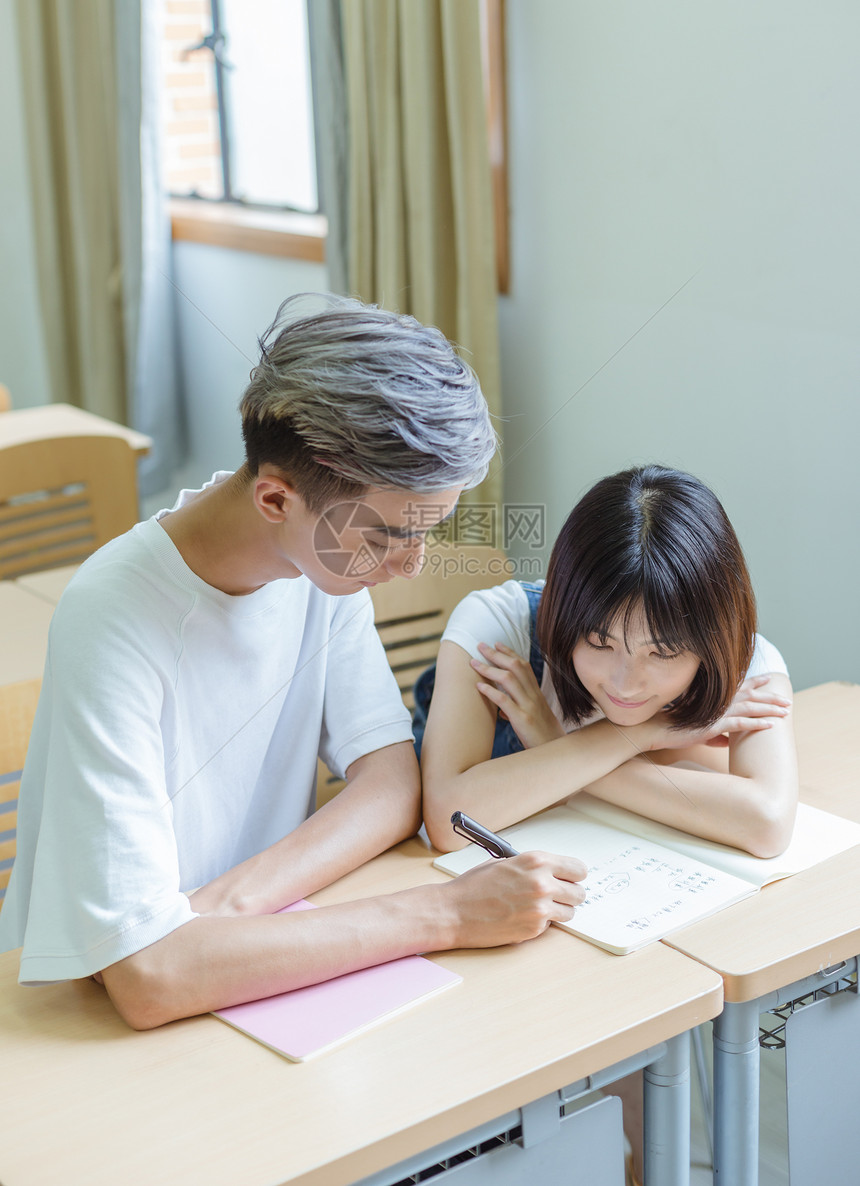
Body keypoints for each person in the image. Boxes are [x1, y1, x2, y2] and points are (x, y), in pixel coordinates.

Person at [0, 293, 587, 1030]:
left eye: (429, 531)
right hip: (73, 1024)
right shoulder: (113, 617)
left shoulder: (323, 564)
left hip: (245, 954)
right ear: (276, 498)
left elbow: (389, 781)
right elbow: (148, 977)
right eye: (389, 537)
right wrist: (444, 913)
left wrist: (227, 911)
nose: (411, 567)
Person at [420, 464, 797, 858]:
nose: (625, 683)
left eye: (663, 652)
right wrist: (642, 733)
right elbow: (450, 823)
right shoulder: (499, 627)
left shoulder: (744, 662)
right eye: (600, 642)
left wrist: (554, 744)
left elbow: (767, 824)